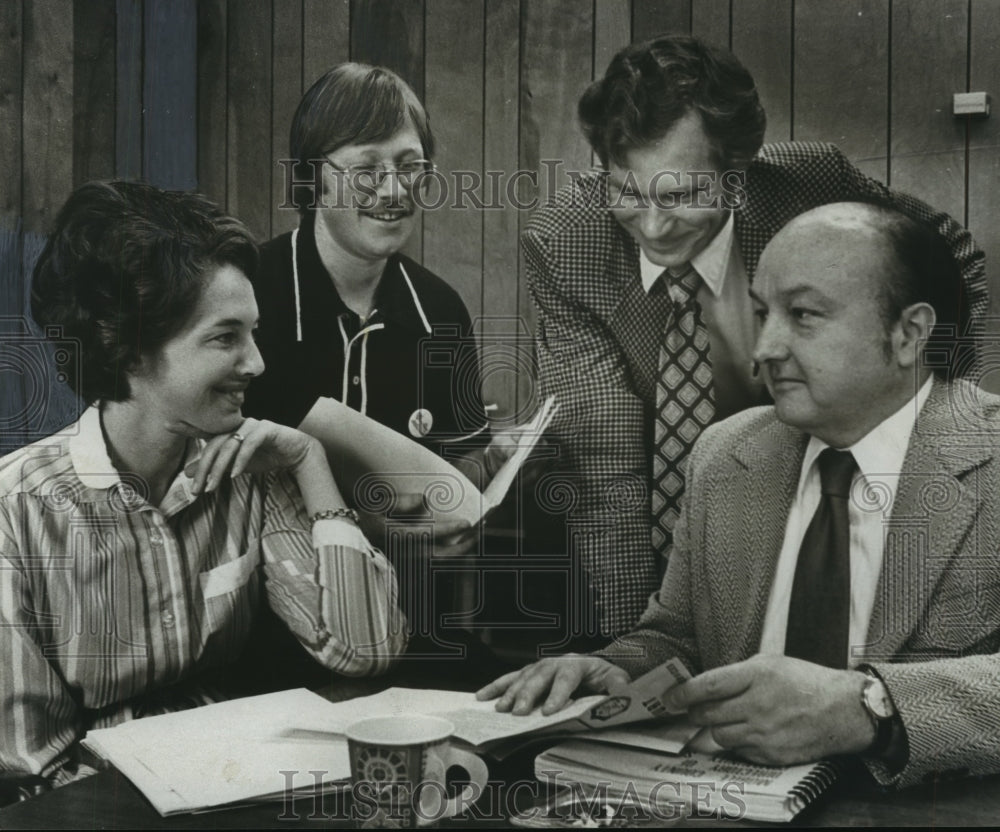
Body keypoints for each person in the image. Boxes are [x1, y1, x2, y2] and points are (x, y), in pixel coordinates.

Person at [479, 202, 1000, 788]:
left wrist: (872, 708)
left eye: (802, 315)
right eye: (761, 313)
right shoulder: (724, 455)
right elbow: (675, 638)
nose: (764, 350)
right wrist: (607, 667)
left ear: (909, 334)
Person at [524, 34, 989, 641]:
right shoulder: (565, 243)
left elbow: (951, 256)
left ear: (736, 175)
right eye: (627, 194)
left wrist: (938, 413)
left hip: (819, 489)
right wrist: (637, 649)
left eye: (682, 196)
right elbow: (604, 460)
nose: (653, 226)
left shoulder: (811, 187)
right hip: (673, 518)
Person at [0, 181, 405, 791]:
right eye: (224, 337)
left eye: (254, 332)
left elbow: (364, 650)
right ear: (128, 349)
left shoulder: (254, 469)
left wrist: (311, 462)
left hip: (239, 782)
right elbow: (28, 765)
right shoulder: (17, 512)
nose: (257, 362)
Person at [242, 62, 507, 686]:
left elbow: (461, 479)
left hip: (408, 630)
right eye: (367, 170)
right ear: (312, 177)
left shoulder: (439, 309)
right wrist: (396, 517)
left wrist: (474, 496)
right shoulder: (249, 294)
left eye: (411, 167)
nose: (393, 191)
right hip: (264, 640)